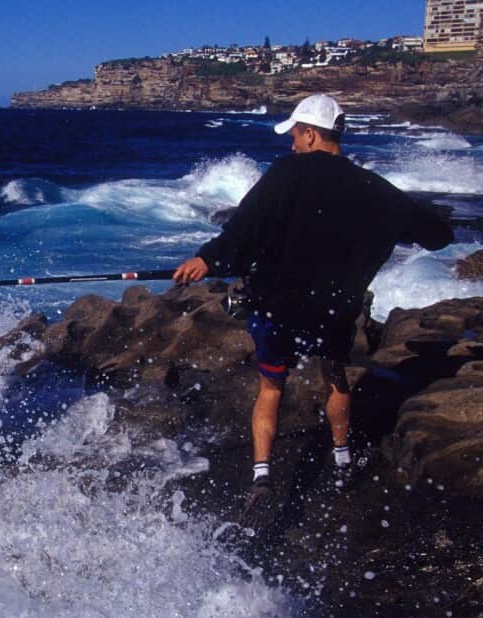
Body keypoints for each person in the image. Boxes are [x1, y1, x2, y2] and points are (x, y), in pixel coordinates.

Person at [172, 94, 453, 513]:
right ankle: (342, 459)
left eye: (295, 136)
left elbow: (245, 227)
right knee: (334, 374)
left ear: (309, 134)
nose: (291, 145)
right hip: (335, 308)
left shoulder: (286, 173)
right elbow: (435, 232)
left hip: (278, 306)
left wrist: (206, 259)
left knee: (271, 387)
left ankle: (262, 475)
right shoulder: (372, 187)